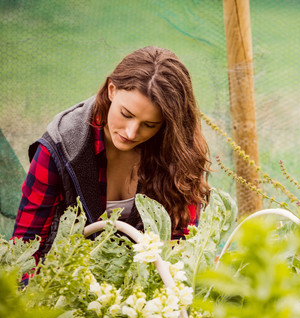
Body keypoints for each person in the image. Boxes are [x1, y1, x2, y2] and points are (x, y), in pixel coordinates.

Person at [12, 46, 211, 263]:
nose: (131, 132)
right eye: (126, 114)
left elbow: (181, 246)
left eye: (150, 125)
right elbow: (26, 245)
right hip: (72, 279)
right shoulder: (60, 147)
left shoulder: (179, 151)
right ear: (112, 89)